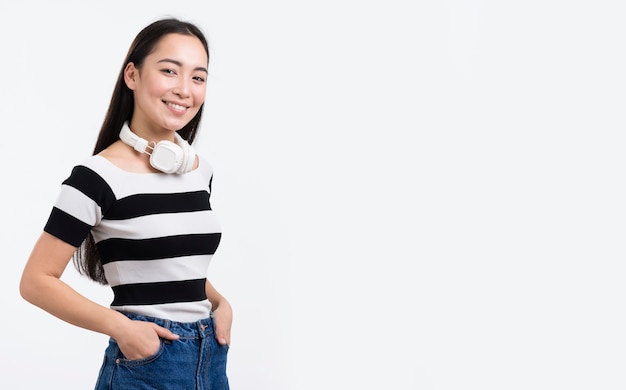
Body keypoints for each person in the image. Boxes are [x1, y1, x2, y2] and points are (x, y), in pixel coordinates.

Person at [19, 17, 232, 389]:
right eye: (170, 71)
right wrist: (122, 328)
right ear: (132, 76)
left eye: (198, 77)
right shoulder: (95, 178)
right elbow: (35, 281)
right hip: (149, 365)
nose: (185, 89)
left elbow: (172, 263)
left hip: (211, 359)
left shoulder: (200, 171)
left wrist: (220, 303)